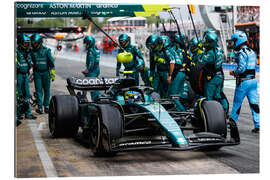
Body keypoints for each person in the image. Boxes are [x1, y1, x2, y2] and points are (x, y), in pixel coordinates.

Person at [229, 31, 260, 133]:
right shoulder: (252, 52)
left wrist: (234, 72)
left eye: (234, 41)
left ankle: (232, 122)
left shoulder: (241, 53)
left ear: (238, 40)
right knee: (254, 104)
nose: (233, 43)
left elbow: (241, 68)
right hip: (253, 81)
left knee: (237, 104)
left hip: (243, 82)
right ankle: (258, 124)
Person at [146, 35, 186, 112]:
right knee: (169, 95)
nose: (152, 48)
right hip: (175, 72)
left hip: (176, 72)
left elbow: (172, 63)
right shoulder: (160, 51)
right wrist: (152, 75)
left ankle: (183, 113)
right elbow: (152, 64)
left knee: (172, 96)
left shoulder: (167, 50)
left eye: (153, 45)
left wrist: (170, 76)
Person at [197, 30, 228, 113]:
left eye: (207, 41)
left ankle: (211, 115)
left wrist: (200, 52)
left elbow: (200, 62)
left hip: (212, 77)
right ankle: (224, 112)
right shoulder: (219, 50)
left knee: (209, 98)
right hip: (220, 76)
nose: (205, 43)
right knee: (218, 95)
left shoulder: (210, 53)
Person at [30, 34, 55, 114]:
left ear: (40, 42)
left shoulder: (47, 50)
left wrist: (52, 73)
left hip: (46, 73)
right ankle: (40, 107)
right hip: (37, 73)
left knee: (47, 90)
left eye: (35, 43)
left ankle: (46, 106)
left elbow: (51, 64)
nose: (34, 45)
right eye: (33, 43)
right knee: (38, 90)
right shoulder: (32, 51)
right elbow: (29, 61)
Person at [16, 33, 37, 120]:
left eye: (28, 43)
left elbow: (30, 63)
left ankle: (28, 113)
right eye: (25, 43)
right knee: (19, 95)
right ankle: (19, 113)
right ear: (21, 43)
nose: (27, 45)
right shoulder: (16, 52)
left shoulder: (27, 52)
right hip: (18, 75)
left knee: (27, 95)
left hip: (25, 75)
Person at [83, 36, 101, 101]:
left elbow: (91, 62)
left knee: (92, 87)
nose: (85, 45)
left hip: (92, 70)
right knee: (95, 85)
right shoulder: (96, 48)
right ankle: (98, 98)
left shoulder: (90, 50)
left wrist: (87, 70)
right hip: (97, 69)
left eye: (86, 43)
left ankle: (97, 100)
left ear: (89, 43)